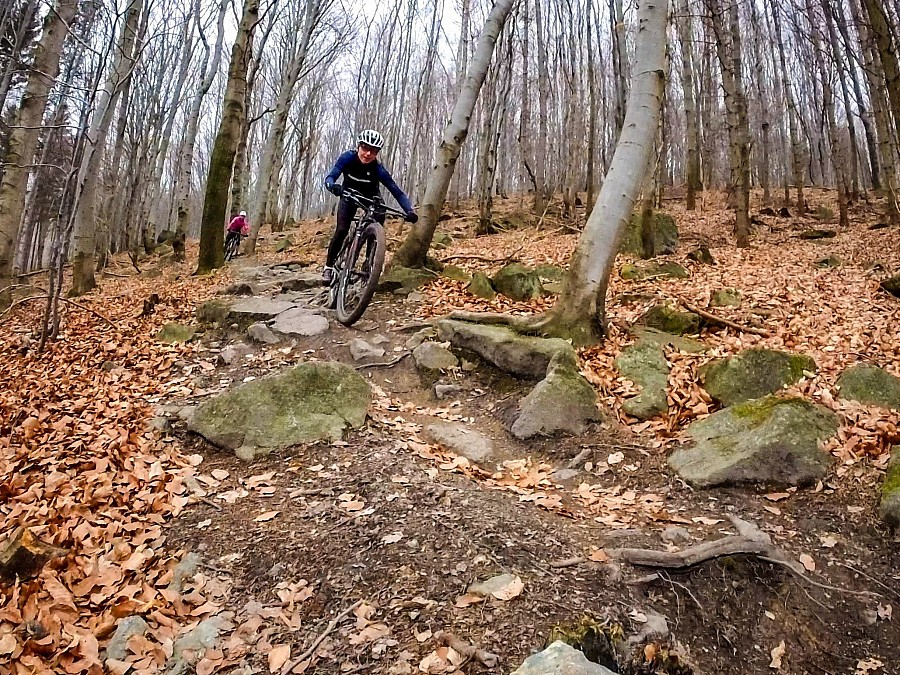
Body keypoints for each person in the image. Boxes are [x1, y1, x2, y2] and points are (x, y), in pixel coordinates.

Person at [322, 129, 418, 284]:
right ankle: (329, 267)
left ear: (377, 153)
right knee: (341, 230)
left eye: (373, 151)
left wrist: (409, 211)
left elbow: (397, 192)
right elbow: (331, 176)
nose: (367, 154)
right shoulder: (347, 158)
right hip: (349, 196)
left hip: (370, 199)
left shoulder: (378, 169)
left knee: (379, 218)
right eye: (365, 148)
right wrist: (332, 186)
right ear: (359, 146)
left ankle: (370, 261)